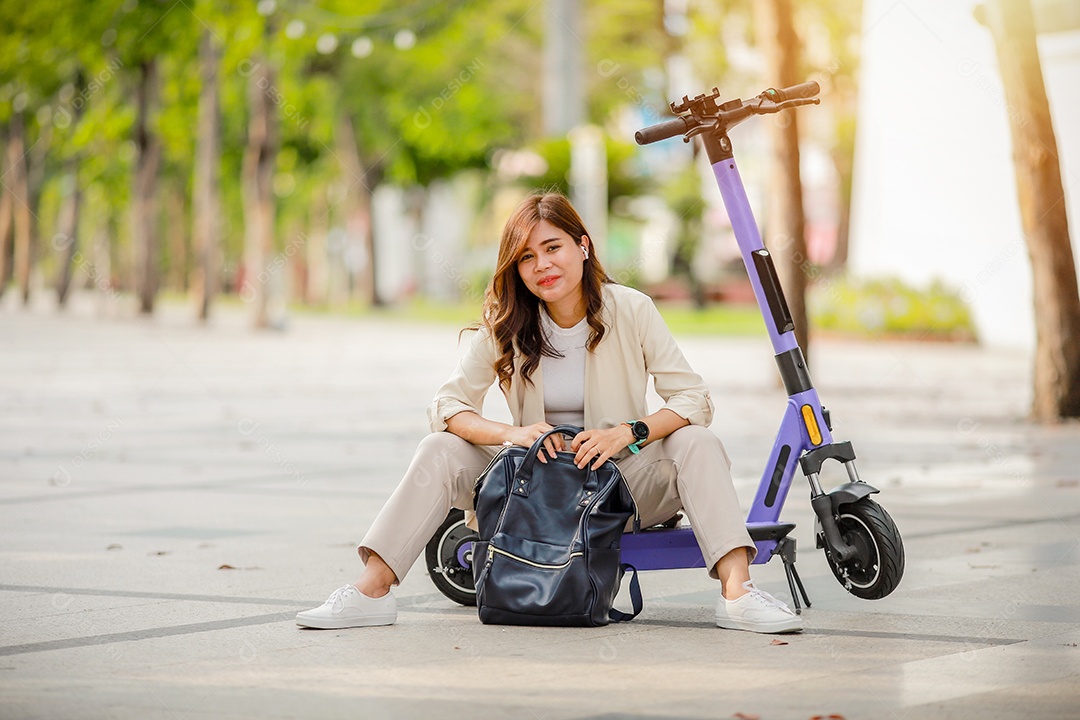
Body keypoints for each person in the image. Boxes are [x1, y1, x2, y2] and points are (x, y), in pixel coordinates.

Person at [296, 192, 802, 634]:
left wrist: (629, 433)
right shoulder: (507, 323)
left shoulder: (631, 309)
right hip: (531, 492)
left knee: (697, 441)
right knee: (440, 448)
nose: (542, 265)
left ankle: (738, 593)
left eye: (553, 247)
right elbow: (448, 406)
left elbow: (693, 399)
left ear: (583, 246)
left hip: (619, 488)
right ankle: (371, 591)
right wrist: (512, 434)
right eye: (526, 257)